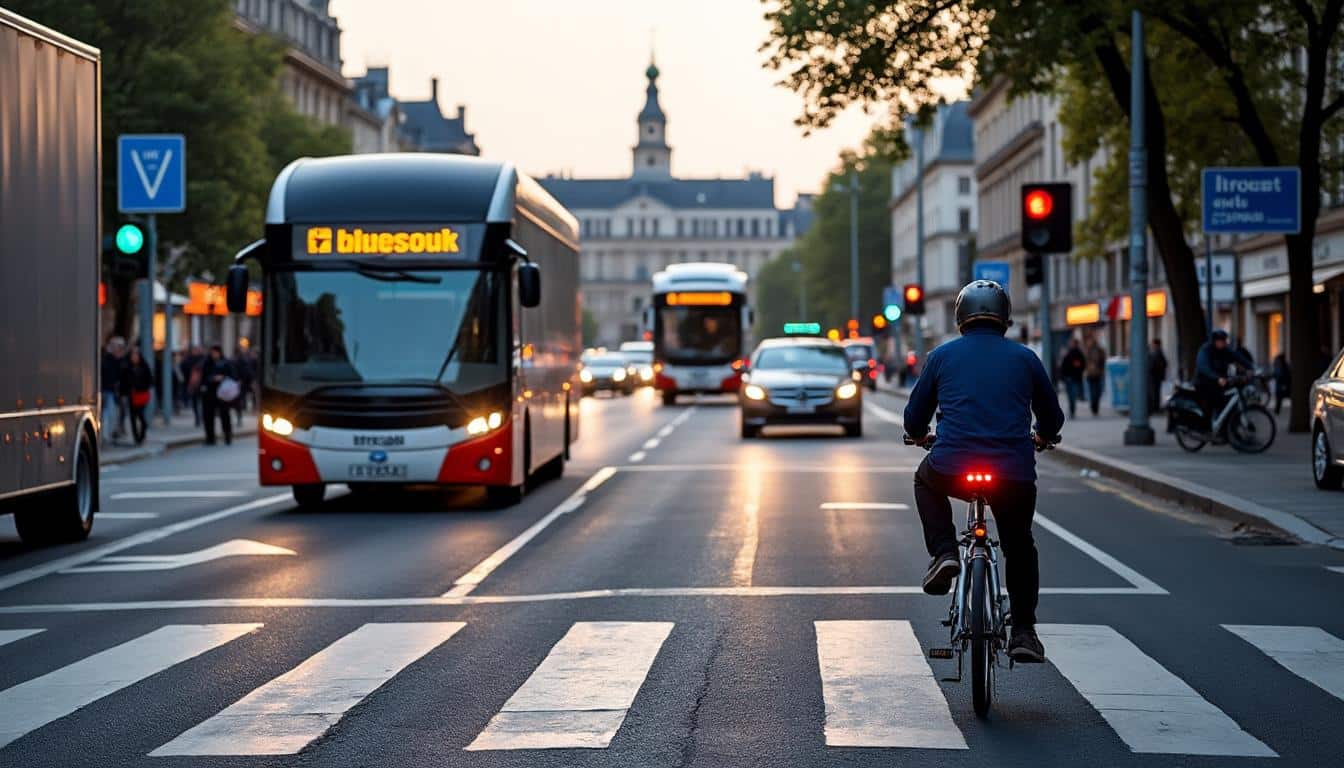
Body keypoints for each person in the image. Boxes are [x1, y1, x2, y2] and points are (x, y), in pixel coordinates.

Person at [904, 280, 1065, 664]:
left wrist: (919, 435)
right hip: (1012, 472)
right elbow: (1052, 417)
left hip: (952, 467)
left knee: (924, 479)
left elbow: (914, 417)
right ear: (1005, 318)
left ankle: (944, 553)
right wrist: (1042, 436)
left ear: (960, 318)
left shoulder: (942, 357)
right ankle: (1024, 631)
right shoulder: (1026, 358)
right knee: (1019, 545)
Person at [1194, 330, 1252, 427]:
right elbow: (1203, 367)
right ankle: (1210, 428)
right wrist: (1217, 378)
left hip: (1222, 382)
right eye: (1221, 341)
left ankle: (1230, 430)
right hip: (1205, 383)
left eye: (1225, 341)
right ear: (1215, 341)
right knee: (1215, 403)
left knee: (1230, 402)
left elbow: (1237, 357)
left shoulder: (1225, 350)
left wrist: (1251, 367)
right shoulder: (1205, 350)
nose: (1224, 343)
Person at [201, 345, 235, 445]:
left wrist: (223, 378)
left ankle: (227, 436)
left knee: (225, 415)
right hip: (210, 393)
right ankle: (210, 438)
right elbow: (204, 377)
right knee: (208, 416)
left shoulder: (226, 363)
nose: (214, 355)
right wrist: (211, 379)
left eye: (216, 352)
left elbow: (232, 376)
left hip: (223, 394)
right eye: (213, 352)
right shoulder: (207, 363)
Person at [123, 347, 155, 445]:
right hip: (131, 395)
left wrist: (140, 387)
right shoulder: (127, 367)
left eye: (136, 355)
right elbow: (124, 381)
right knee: (133, 416)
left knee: (140, 416)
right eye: (133, 355)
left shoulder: (144, 367)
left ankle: (142, 434)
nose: (134, 357)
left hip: (141, 395)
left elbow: (150, 381)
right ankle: (136, 438)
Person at [100, 336, 125, 445]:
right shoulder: (109, 360)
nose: (119, 350)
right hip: (108, 390)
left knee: (112, 413)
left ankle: (109, 435)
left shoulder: (116, 360)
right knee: (108, 414)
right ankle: (106, 436)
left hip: (112, 391)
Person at [1059, 338, 1086, 419]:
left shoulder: (1079, 354)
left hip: (1074, 378)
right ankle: (1072, 409)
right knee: (1070, 395)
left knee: (1072, 395)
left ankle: (1072, 409)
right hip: (1069, 378)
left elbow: (1082, 365)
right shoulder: (1068, 353)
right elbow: (1063, 365)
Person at [1083, 334, 1107, 416]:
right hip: (1091, 374)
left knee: (1097, 392)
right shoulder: (1087, 351)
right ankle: (1094, 407)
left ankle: (1095, 407)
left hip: (1098, 374)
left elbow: (1103, 360)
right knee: (1093, 392)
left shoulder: (1099, 350)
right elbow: (1084, 362)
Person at [1147, 339, 1168, 413]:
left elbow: (1160, 364)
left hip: (1155, 376)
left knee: (1154, 392)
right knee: (1155, 392)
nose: (1152, 346)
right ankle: (1155, 407)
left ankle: (1155, 407)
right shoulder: (1158, 352)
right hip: (1156, 376)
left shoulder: (1157, 353)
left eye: (1153, 344)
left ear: (1156, 345)